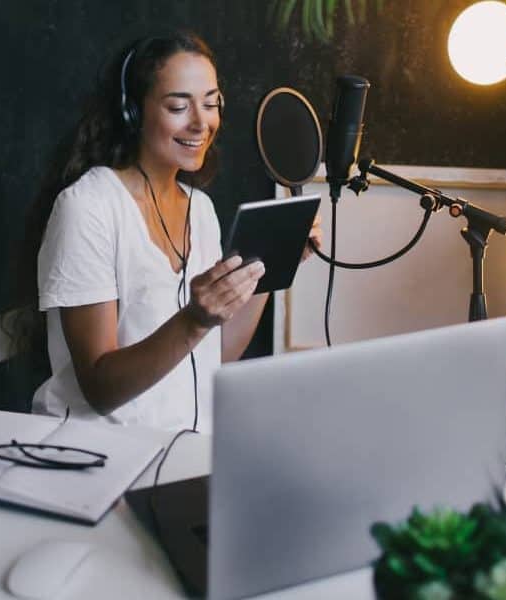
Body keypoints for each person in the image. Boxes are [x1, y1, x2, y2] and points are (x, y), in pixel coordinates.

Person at [17, 30, 320, 433]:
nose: (201, 123)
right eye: (179, 106)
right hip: (98, 455)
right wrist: (193, 319)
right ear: (133, 112)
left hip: (182, 451)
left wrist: (270, 266)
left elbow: (217, 354)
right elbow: (100, 388)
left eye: (211, 104)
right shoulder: (87, 208)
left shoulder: (201, 209)